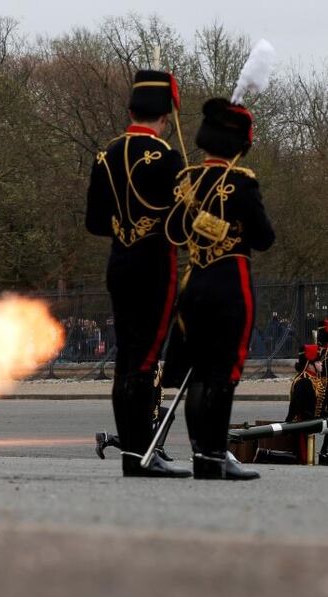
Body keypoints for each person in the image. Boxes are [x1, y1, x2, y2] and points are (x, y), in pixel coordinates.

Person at [85, 69, 190, 477]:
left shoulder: (104, 156)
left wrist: (126, 227)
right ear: (165, 117)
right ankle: (140, 455)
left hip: (120, 264)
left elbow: (95, 223)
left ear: (131, 109)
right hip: (154, 267)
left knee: (126, 360)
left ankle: (132, 452)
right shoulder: (168, 157)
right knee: (145, 363)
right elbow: (180, 226)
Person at [165, 97, 275, 480]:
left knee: (198, 372)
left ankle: (202, 452)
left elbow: (175, 233)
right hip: (230, 284)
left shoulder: (186, 181)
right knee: (223, 372)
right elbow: (263, 238)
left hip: (194, 283)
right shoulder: (242, 182)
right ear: (238, 144)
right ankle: (214, 453)